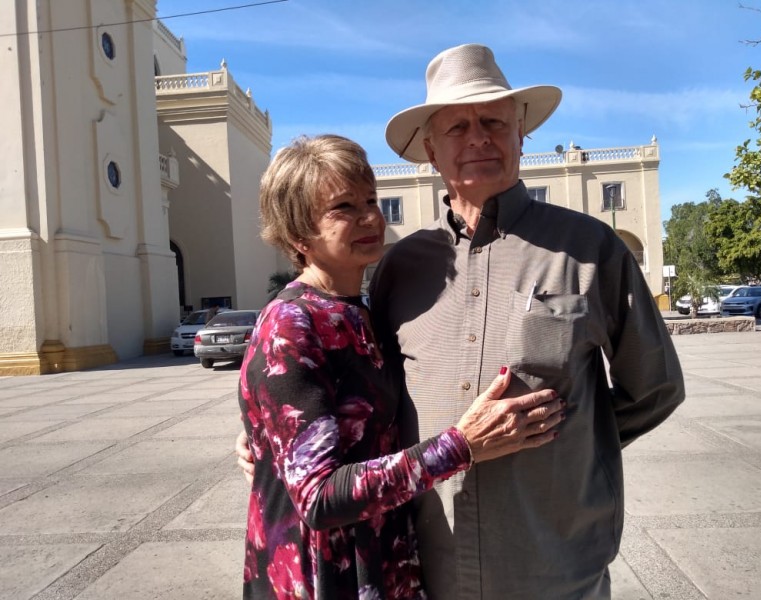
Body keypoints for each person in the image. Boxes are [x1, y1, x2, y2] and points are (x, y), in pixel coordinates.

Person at [238, 44, 685, 599]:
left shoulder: (590, 249)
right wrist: (271, 433)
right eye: (456, 127)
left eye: (494, 120)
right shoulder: (400, 267)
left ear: (520, 133)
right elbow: (344, 399)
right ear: (430, 148)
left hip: (552, 566)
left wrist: (568, 453)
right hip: (425, 568)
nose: (478, 137)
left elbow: (656, 387)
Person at [238, 133, 566, 599]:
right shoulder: (291, 324)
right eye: (343, 208)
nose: (369, 216)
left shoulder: (359, 310)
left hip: (379, 561)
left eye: (370, 200)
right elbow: (319, 497)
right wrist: (462, 445)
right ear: (298, 234)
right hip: (321, 577)